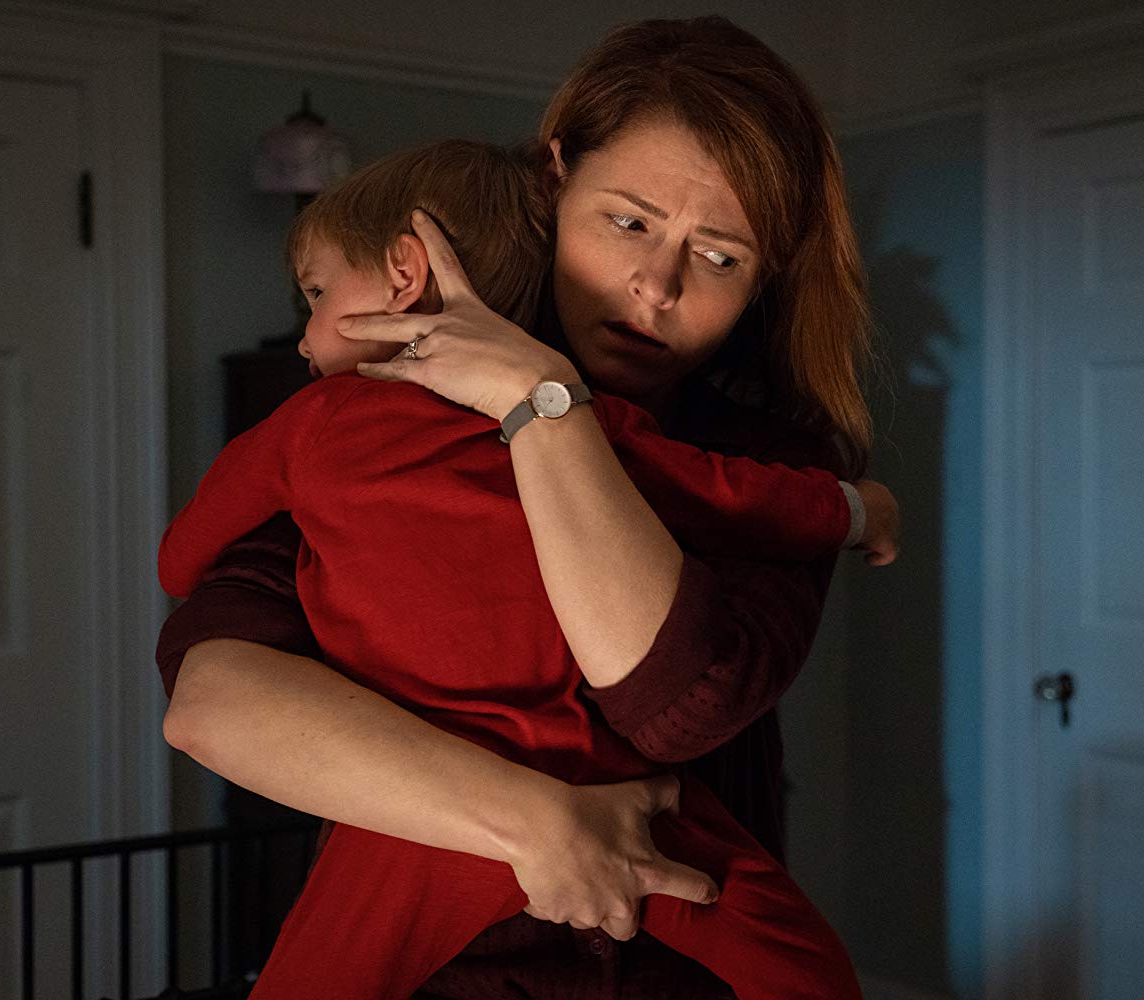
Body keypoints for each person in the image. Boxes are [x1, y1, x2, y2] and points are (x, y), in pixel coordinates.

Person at [158, 15, 879, 997]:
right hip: (447, 968)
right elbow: (215, 700)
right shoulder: (377, 417)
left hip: (672, 965)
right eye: (627, 221)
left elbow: (669, 707)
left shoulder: (770, 456)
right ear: (553, 180)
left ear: (764, 281)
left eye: (718, 257)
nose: (655, 287)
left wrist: (541, 401)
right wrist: (542, 824)